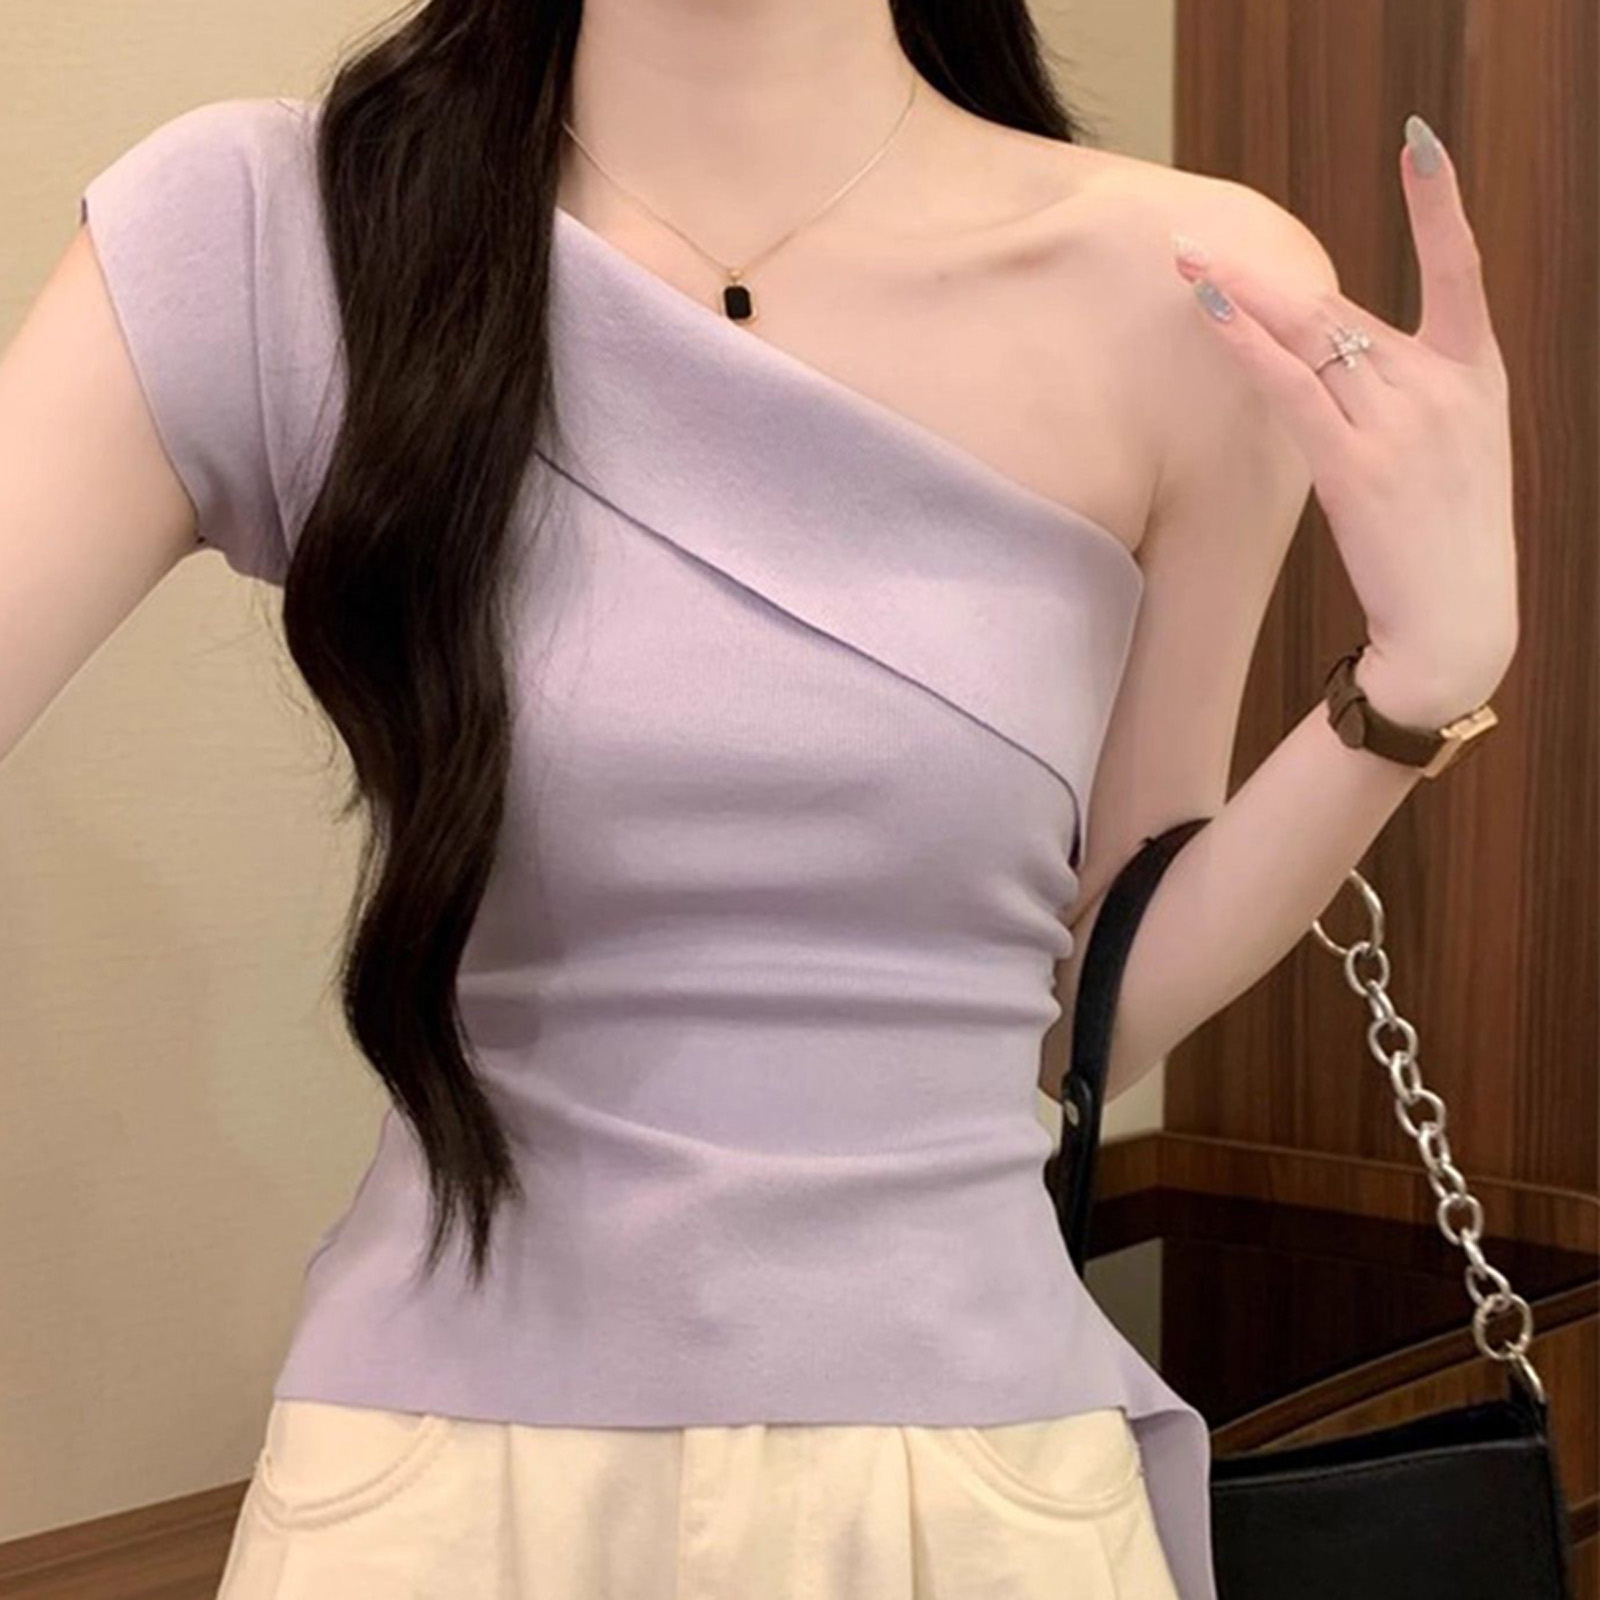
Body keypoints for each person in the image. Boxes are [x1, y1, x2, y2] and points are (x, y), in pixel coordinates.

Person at [1, 0, 1515, 1592]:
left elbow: (1083, 1004)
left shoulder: (1192, 285)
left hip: (972, 1489)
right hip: (439, 1498)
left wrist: (1415, 686)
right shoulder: (279, 234)